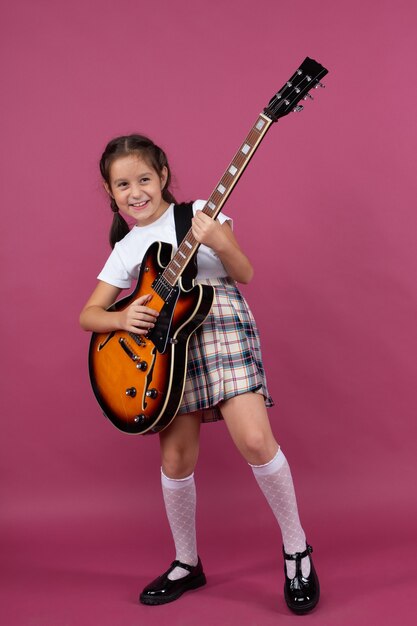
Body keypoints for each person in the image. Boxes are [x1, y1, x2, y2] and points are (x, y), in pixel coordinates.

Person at [79, 134, 320, 614]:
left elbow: (244, 272)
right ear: (111, 192)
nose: (136, 192)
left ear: (163, 176)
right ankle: (187, 563)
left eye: (144, 179)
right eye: (123, 184)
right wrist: (122, 318)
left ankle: (297, 550)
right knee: (176, 461)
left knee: (254, 440)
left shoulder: (201, 215)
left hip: (220, 326)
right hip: (167, 348)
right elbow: (89, 314)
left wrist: (220, 239)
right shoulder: (128, 247)